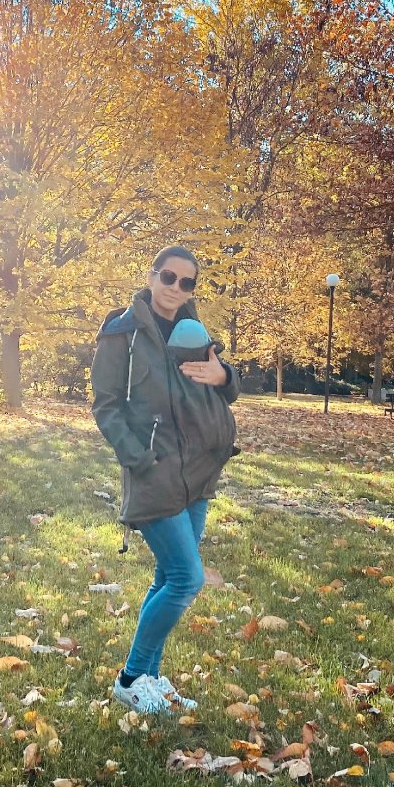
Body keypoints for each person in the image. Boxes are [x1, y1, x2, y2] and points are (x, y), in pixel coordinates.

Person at [90, 245, 241, 714]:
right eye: (169, 277)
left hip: (199, 469)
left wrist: (224, 375)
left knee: (167, 576)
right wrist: (138, 457)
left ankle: (151, 679)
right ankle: (131, 678)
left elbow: (226, 389)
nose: (176, 288)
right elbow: (105, 405)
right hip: (155, 471)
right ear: (152, 276)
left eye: (187, 282)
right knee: (185, 578)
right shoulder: (122, 333)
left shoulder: (195, 331)